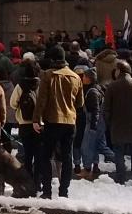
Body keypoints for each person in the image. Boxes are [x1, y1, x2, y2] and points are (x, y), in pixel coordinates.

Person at [32, 45, 84, 199]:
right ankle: (64, 191)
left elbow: (41, 100)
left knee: (45, 156)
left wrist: (36, 119)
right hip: (70, 122)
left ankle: (47, 191)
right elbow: (80, 103)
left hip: (52, 121)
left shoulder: (48, 75)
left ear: (53, 60)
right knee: (67, 157)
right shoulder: (76, 77)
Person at [104, 62, 132, 186]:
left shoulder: (112, 86)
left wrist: (109, 123)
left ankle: (121, 178)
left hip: (117, 125)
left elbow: (106, 108)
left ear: (119, 70)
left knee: (119, 153)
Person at [79, 68, 115, 180]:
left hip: (94, 122)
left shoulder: (92, 92)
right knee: (100, 145)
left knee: (87, 146)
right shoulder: (97, 89)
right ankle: (118, 160)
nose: (82, 78)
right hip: (100, 122)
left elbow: (95, 110)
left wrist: (93, 125)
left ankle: (87, 168)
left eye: (84, 76)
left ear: (89, 79)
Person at [9, 60, 41, 180]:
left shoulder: (20, 85)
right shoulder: (41, 84)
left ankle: (28, 181)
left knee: (27, 155)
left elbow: (12, 103)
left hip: (24, 123)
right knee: (38, 155)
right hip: (38, 123)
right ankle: (37, 181)